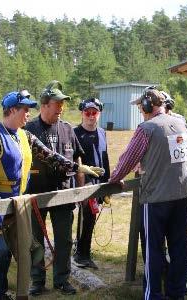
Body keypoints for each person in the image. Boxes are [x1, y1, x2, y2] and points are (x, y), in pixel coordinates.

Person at [0, 90, 104, 300]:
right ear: (11, 110)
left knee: (10, 251)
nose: (29, 114)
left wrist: (79, 168)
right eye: (25, 110)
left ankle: (1, 292)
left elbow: (50, 156)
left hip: (19, 204)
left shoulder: (25, 135)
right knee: (0, 251)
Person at [109, 87, 187, 300]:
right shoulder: (181, 123)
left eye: (141, 106)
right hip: (181, 196)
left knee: (153, 250)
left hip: (155, 200)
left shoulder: (146, 128)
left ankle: (154, 295)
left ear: (149, 105)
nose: (140, 110)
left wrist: (114, 179)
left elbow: (127, 160)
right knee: (179, 247)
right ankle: (177, 293)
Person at [24, 80, 83, 296]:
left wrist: (81, 191)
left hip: (64, 194)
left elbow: (77, 159)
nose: (61, 108)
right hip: (36, 196)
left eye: (62, 104)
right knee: (36, 241)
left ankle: (62, 280)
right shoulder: (28, 130)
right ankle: (37, 281)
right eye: (57, 104)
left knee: (64, 240)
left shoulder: (68, 129)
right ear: (45, 105)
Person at [73, 97, 110, 269]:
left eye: (94, 113)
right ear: (82, 113)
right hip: (84, 184)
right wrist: (82, 185)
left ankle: (84, 251)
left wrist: (109, 185)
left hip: (99, 184)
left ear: (99, 114)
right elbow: (74, 163)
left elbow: (105, 158)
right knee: (85, 218)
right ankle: (81, 255)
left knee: (91, 219)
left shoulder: (102, 132)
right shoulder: (75, 133)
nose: (90, 116)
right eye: (87, 113)